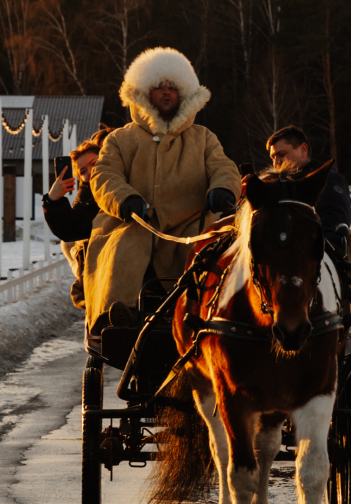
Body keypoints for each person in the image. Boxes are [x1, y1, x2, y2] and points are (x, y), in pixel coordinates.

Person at [84, 47, 241, 332]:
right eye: (158, 87)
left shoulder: (203, 138)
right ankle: (120, 313)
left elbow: (225, 168)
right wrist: (125, 199)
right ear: (143, 93)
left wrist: (224, 189)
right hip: (132, 220)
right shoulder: (120, 139)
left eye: (173, 87)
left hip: (188, 224)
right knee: (124, 246)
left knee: (207, 251)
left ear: (183, 94)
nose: (166, 93)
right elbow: (104, 175)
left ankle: (203, 311)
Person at [266, 124, 351, 315]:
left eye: (282, 154)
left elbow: (336, 221)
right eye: (273, 157)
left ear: (303, 149)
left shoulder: (326, 180)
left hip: (317, 258)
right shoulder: (273, 184)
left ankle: (341, 328)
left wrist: (303, 246)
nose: (277, 161)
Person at [42, 128, 110, 243]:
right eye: (83, 171)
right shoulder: (86, 197)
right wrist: (53, 200)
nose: (90, 172)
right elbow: (72, 230)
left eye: (94, 163)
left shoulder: (130, 175)